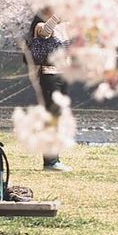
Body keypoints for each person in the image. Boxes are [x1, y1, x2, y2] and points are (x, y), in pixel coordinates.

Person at [29, 9, 71, 172]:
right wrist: (56, 15)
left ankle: (54, 158)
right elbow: (45, 31)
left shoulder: (64, 27)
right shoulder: (42, 24)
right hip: (50, 75)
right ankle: (50, 160)